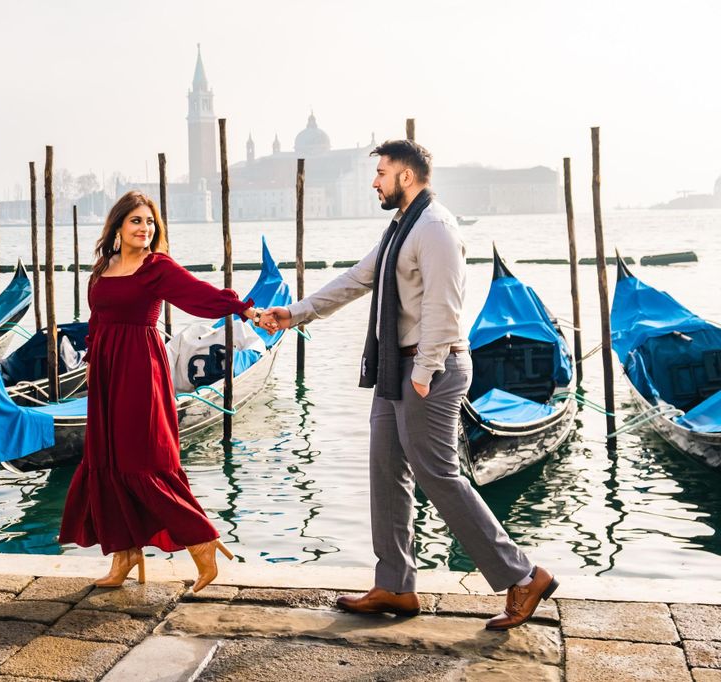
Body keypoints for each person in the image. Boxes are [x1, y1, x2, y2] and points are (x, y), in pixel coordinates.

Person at [258, 140, 557, 631]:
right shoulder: (402, 226)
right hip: (395, 369)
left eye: (381, 172)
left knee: (438, 476)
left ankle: (523, 576)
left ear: (408, 177)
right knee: (385, 470)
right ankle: (395, 585)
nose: (374, 181)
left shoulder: (435, 228)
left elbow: (445, 308)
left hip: (430, 369)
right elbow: (358, 279)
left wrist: (422, 373)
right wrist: (292, 314)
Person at [59, 190, 262, 592]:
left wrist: (244, 310)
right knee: (108, 459)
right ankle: (126, 553)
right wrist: (89, 364)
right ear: (118, 226)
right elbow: (97, 318)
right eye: (136, 221)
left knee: (143, 460)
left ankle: (201, 540)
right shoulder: (103, 267)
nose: (144, 228)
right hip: (104, 370)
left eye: (150, 222)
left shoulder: (157, 268)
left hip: (140, 368)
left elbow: (200, 295)